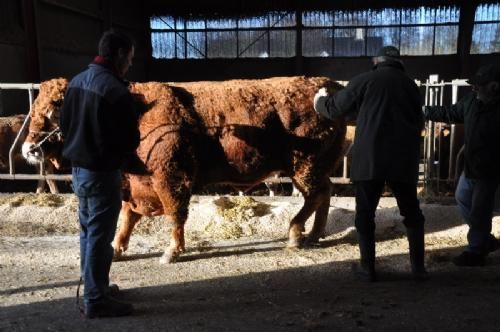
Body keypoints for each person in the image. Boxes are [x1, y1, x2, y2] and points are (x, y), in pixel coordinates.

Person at [313, 46, 426, 281]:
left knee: (365, 213)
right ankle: (418, 268)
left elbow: (335, 108)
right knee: (412, 212)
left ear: (376, 62)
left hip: (371, 159)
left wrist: (320, 101)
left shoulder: (365, 80)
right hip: (402, 159)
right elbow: (417, 120)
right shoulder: (411, 86)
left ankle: (368, 269)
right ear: (399, 63)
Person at [60, 30, 141, 318]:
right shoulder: (117, 91)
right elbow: (131, 141)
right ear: (119, 54)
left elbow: (65, 125)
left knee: (87, 232)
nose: (130, 63)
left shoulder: (76, 83)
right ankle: (96, 299)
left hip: (79, 171)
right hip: (102, 172)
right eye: (129, 57)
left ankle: (98, 286)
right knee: (99, 236)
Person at [424, 64, 500, 266]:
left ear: (494, 86)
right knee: (462, 197)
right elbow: (450, 112)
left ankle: (475, 251)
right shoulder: (471, 102)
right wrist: (424, 111)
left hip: (491, 169)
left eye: (478, 86)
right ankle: (485, 239)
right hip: (472, 165)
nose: (474, 89)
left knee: (480, 209)